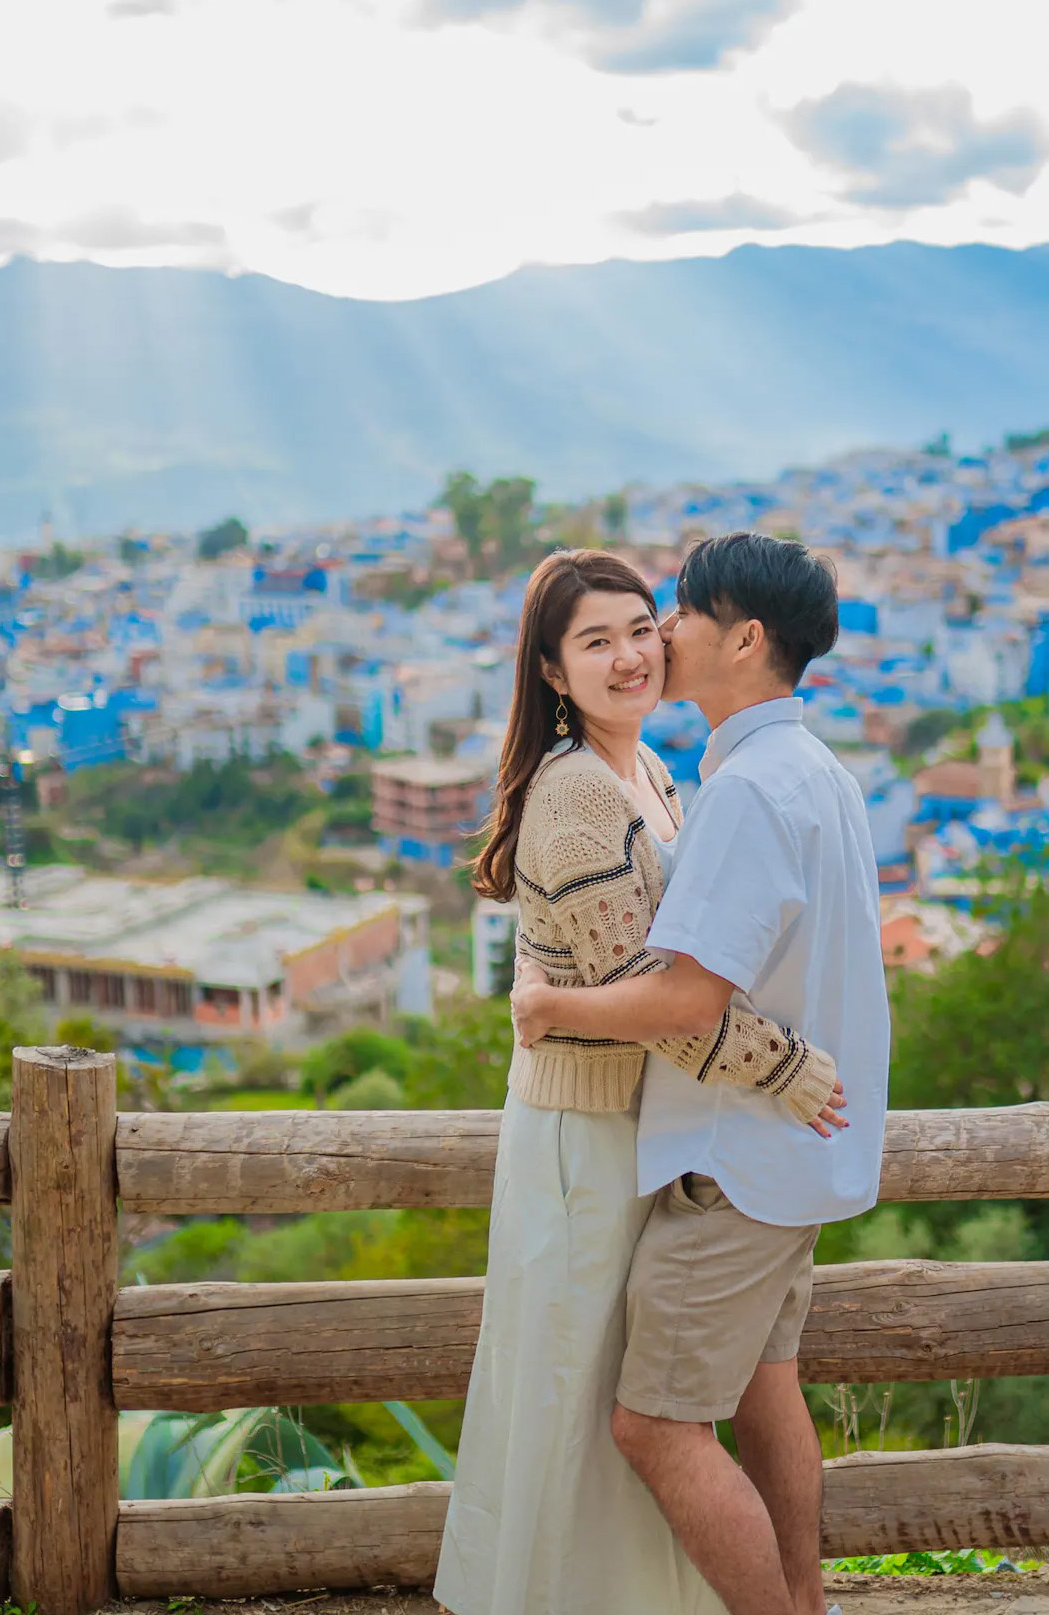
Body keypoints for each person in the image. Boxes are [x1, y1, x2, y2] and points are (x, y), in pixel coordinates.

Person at [433, 548, 844, 1615]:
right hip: (586, 1138)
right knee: (584, 1388)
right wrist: (792, 1072)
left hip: (639, 1129)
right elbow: (657, 999)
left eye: (638, 626)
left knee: (632, 1396)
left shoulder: (654, 773)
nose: (629, 655)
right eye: (594, 642)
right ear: (553, 674)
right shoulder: (577, 796)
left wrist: (550, 997)